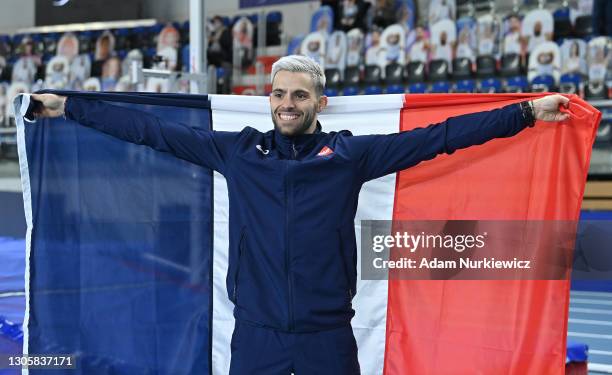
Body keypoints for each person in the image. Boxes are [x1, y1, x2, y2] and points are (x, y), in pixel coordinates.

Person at [29, 55, 569, 375]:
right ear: (270, 99)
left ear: (320, 102)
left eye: (300, 95)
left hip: (327, 336)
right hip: (257, 333)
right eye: (279, 94)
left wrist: (525, 112)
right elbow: (151, 130)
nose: (287, 103)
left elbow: (441, 138)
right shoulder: (237, 153)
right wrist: (69, 106)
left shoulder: (350, 156)